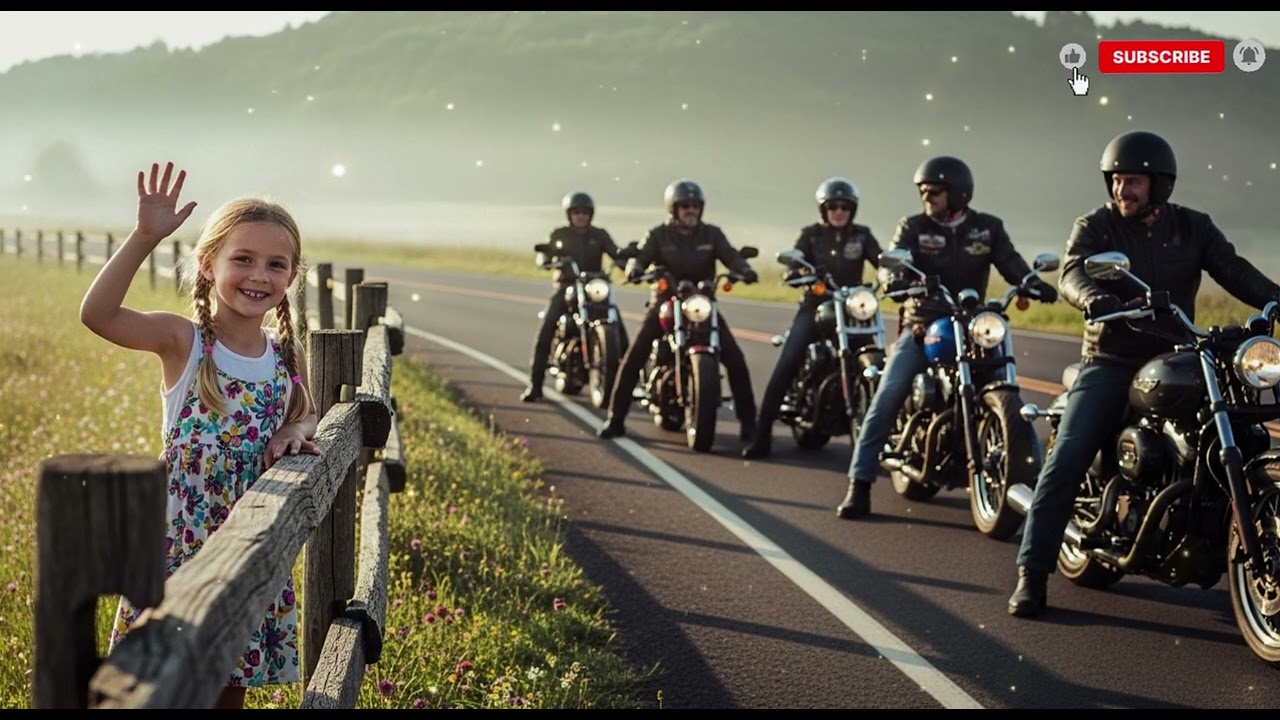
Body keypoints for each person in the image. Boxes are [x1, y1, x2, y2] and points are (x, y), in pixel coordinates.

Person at [1007, 130, 1280, 617]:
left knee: (1233, 427)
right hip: (1111, 358)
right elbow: (1072, 272)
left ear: (1160, 185)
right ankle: (1032, 571)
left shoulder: (1193, 227)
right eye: (1116, 180)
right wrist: (1093, 297)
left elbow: (1233, 269)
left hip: (1178, 355)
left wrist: (1276, 298)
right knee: (1067, 459)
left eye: (1132, 181)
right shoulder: (1096, 226)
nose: (1122, 190)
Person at [81, 161, 319, 709]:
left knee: (228, 686)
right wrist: (144, 237)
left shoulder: (286, 354)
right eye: (243, 259)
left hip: (250, 544)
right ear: (208, 265)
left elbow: (308, 413)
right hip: (178, 545)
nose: (259, 275)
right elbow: (98, 315)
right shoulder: (184, 342)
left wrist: (296, 427)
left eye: (276, 264)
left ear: (291, 277)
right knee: (162, 686)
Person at [836, 155, 1058, 520]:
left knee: (1008, 391)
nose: (928, 196)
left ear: (958, 193)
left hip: (973, 323)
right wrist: (896, 282)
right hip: (924, 323)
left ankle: (1035, 482)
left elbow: (1011, 262)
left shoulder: (987, 228)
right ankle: (858, 485)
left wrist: (1032, 283)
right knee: (889, 394)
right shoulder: (912, 226)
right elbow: (893, 266)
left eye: (935, 191)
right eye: (924, 191)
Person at [597, 178, 760, 440]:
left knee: (735, 359)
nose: (690, 210)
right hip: (666, 302)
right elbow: (642, 257)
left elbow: (731, 257)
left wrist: (745, 270)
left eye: (695, 206)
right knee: (634, 355)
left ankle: (750, 425)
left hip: (701, 305)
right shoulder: (658, 234)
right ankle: (615, 419)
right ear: (673, 209)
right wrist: (635, 269)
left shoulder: (712, 234)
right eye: (685, 206)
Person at [742, 176, 883, 459]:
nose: (839, 212)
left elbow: (881, 262)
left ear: (853, 209)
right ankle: (762, 435)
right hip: (815, 307)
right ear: (824, 209)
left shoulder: (862, 236)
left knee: (877, 361)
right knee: (788, 359)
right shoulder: (811, 235)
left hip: (852, 308)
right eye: (833, 207)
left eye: (845, 207)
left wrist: (891, 274)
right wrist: (797, 273)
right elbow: (793, 265)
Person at [521, 191, 629, 402]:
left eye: (585, 212)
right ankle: (535, 384)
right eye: (576, 212)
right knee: (547, 327)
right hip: (567, 288)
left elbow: (616, 253)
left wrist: (626, 262)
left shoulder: (599, 235)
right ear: (569, 214)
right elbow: (547, 252)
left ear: (591, 214)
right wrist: (546, 259)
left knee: (619, 330)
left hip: (594, 288)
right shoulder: (560, 234)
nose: (581, 216)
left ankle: (628, 386)